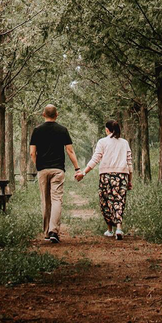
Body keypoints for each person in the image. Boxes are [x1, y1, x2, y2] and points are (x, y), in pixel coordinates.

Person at [29, 103, 82, 244]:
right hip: (58, 170)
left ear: (43, 114)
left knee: (45, 201)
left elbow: (32, 152)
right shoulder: (62, 130)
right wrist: (77, 168)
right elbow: (70, 151)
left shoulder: (36, 130)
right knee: (56, 199)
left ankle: (47, 232)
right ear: (56, 115)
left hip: (43, 170)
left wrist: (38, 166)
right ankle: (54, 231)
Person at [75, 119, 132, 239]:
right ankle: (119, 229)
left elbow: (95, 159)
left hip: (106, 176)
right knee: (119, 201)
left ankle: (110, 230)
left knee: (106, 201)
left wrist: (83, 173)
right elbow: (129, 163)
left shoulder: (102, 142)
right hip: (122, 176)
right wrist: (130, 180)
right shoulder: (124, 143)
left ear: (107, 130)